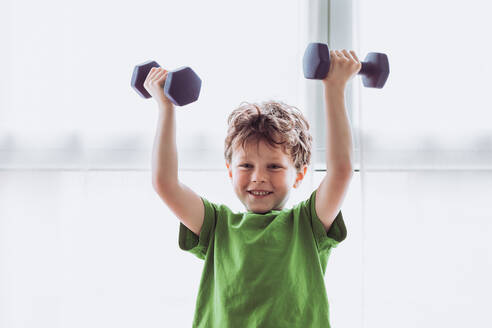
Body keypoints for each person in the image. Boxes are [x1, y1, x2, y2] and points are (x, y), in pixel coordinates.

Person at [146, 49, 361, 327]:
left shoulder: (307, 224)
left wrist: (334, 87)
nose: (258, 177)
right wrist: (165, 108)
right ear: (230, 171)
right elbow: (165, 183)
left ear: (299, 175)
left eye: (274, 167)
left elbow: (341, 172)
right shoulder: (217, 226)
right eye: (246, 166)